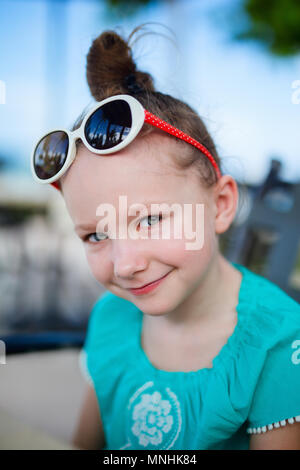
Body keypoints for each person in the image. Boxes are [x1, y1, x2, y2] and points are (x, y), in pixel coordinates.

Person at [31, 26, 300, 450]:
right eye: (96, 234)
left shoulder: (278, 342)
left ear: (222, 204)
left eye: (151, 219)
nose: (125, 264)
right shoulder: (111, 318)